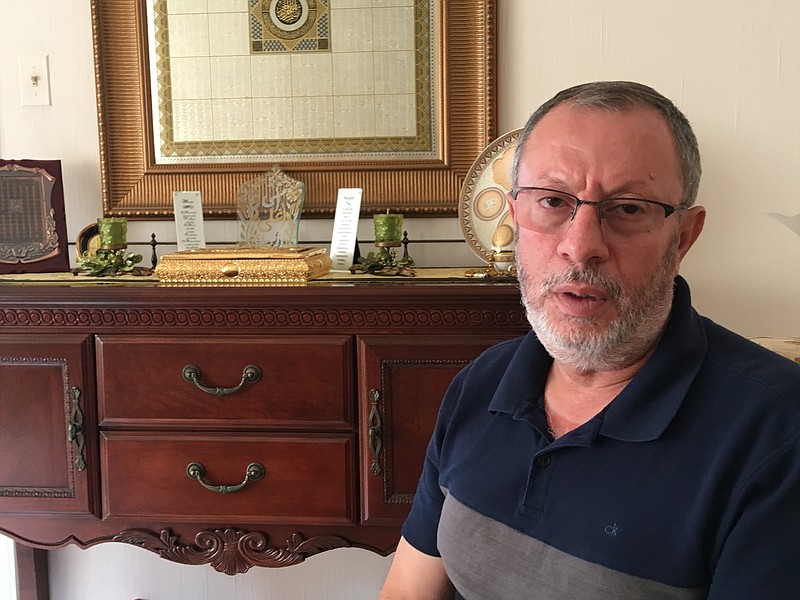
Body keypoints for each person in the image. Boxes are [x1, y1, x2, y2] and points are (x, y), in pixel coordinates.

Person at [379, 81, 800, 599]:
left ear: (684, 237)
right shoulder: (482, 383)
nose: (581, 247)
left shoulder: (778, 432)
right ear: (515, 219)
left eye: (627, 209)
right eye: (553, 201)